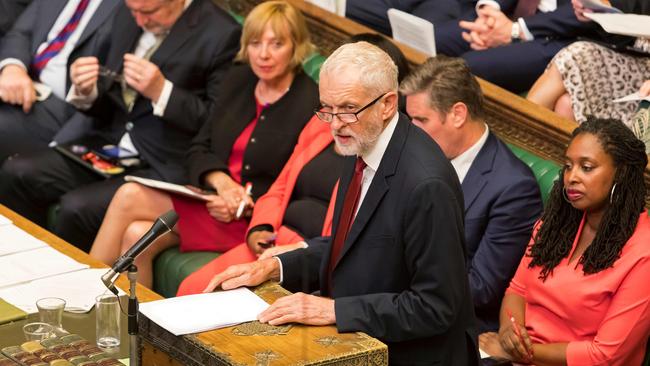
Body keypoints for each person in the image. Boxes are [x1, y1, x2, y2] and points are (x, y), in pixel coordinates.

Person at [202, 42, 478, 366]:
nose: (333, 124)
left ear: (388, 104)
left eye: (347, 108)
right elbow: (352, 247)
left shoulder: (426, 185)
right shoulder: (361, 140)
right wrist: (274, 267)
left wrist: (332, 310)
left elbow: (435, 306)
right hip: (359, 340)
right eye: (326, 109)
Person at [89, 0, 319, 288]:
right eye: (255, 43)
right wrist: (221, 183)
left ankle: (84, 296)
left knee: (129, 196)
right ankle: (131, 326)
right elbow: (199, 147)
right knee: (136, 235)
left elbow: (294, 186)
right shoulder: (239, 79)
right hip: (211, 199)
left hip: (252, 222)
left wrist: (243, 206)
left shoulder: (310, 102)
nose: (263, 55)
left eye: (276, 44)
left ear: (296, 47)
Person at [175, 32, 412, 296]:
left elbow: (356, 242)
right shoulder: (322, 124)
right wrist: (260, 229)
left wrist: (298, 252)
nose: (336, 120)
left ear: (385, 99)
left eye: (348, 103)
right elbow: (281, 185)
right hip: (274, 239)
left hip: (311, 259)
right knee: (192, 290)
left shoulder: (387, 152)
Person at [0, 0, 242, 251]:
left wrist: (163, 92)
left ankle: (61, 284)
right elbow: (108, 96)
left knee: (77, 208)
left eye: (148, 12)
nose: (139, 20)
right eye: (134, 11)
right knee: (18, 172)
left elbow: (216, 123)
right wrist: (87, 89)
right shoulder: (127, 13)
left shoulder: (222, 33)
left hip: (163, 161)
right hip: (108, 142)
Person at [479, 117, 650, 365]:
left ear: (620, 174)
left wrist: (519, 354)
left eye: (587, 167)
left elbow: (605, 356)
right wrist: (509, 333)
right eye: (568, 166)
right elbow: (517, 289)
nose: (572, 177)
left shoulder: (642, 253)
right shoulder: (558, 221)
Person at [399, 56, 543, 333]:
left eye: (420, 120)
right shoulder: (413, 158)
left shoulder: (513, 188)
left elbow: (481, 288)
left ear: (458, 114)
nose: (410, 130)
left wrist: (392, 282)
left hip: (456, 325)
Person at [0, 0, 120, 162]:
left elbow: (109, 90)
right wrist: (13, 67)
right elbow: (21, 32)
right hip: (22, 81)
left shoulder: (128, 7)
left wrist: (62, 144)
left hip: (66, 109)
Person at [527, 0, 650, 123]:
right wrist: (602, 13)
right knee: (575, 56)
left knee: (567, 105)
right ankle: (523, 130)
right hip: (639, 55)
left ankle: (523, 132)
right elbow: (633, 25)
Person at [456, 0, 598, 93]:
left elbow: (591, 6)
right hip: (510, 14)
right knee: (438, 40)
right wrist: (489, 11)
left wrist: (514, 30)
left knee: (467, 67)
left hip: (565, 35)